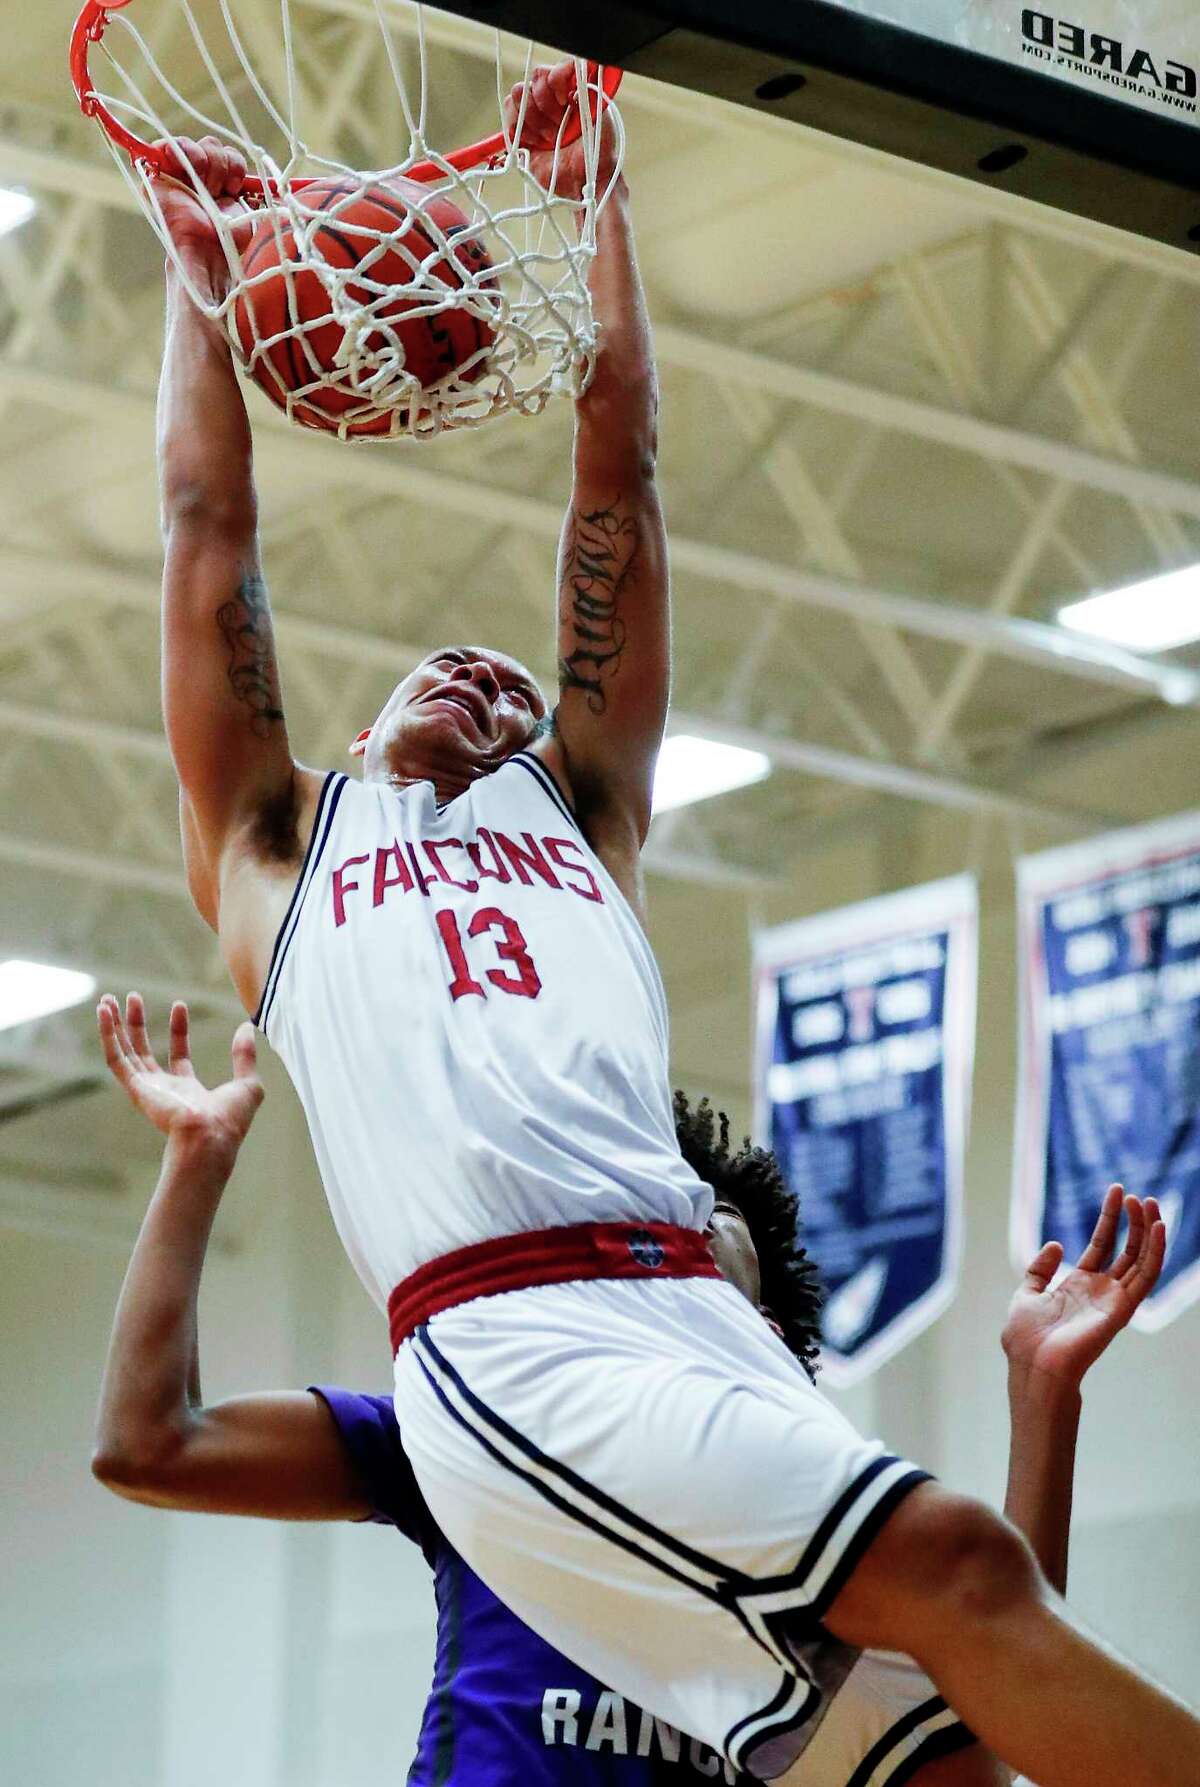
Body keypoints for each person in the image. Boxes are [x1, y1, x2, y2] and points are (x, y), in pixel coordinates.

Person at [152, 55, 1200, 1784]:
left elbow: (621, 480)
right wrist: (204, 278)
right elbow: (207, 530)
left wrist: (600, 204)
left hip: (695, 1327)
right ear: (350, 734)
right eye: (450, 667)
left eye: (516, 684)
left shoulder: (584, 819)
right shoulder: (285, 857)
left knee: (955, 1736)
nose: (492, 672)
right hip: (520, 1335)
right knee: (955, 1562)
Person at [93, 995, 1164, 1786]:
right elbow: (151, 1443)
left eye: (702, 1260)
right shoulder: (485, 1421)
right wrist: (197, 1158)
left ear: (768, 1338)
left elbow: (990, 1723)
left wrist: (1043, 1395)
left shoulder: (816, 1516)